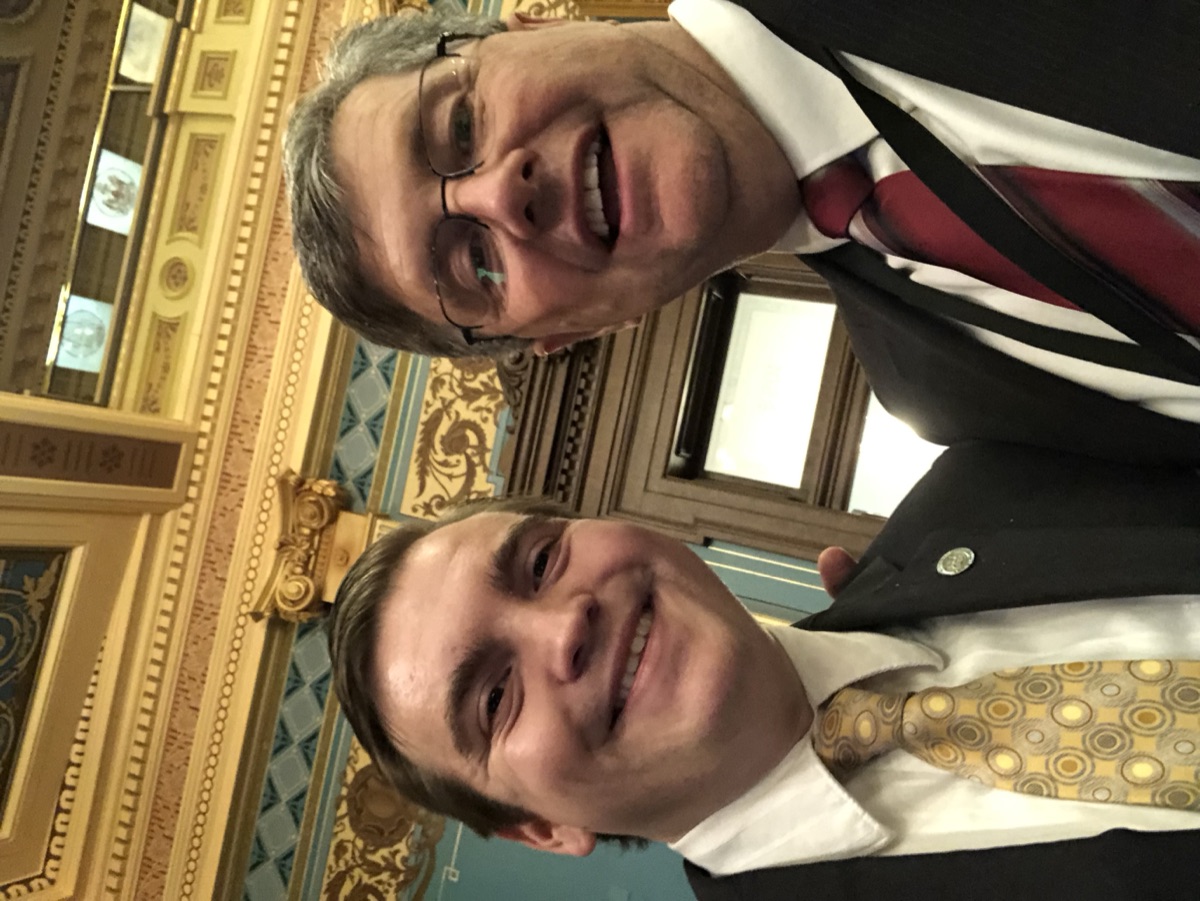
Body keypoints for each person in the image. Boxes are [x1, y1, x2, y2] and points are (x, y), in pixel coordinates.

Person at [285, 0, 1200, 464]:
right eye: (474, 265)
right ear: (568, 334)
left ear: (530, 22)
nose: (498, 198)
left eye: (457, 130)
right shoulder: (945, 395)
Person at [328, 440, 1200, 900]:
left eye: (541, 562)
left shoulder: (982, 489)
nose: (566, 626)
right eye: (494, 697)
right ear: (541, 830)